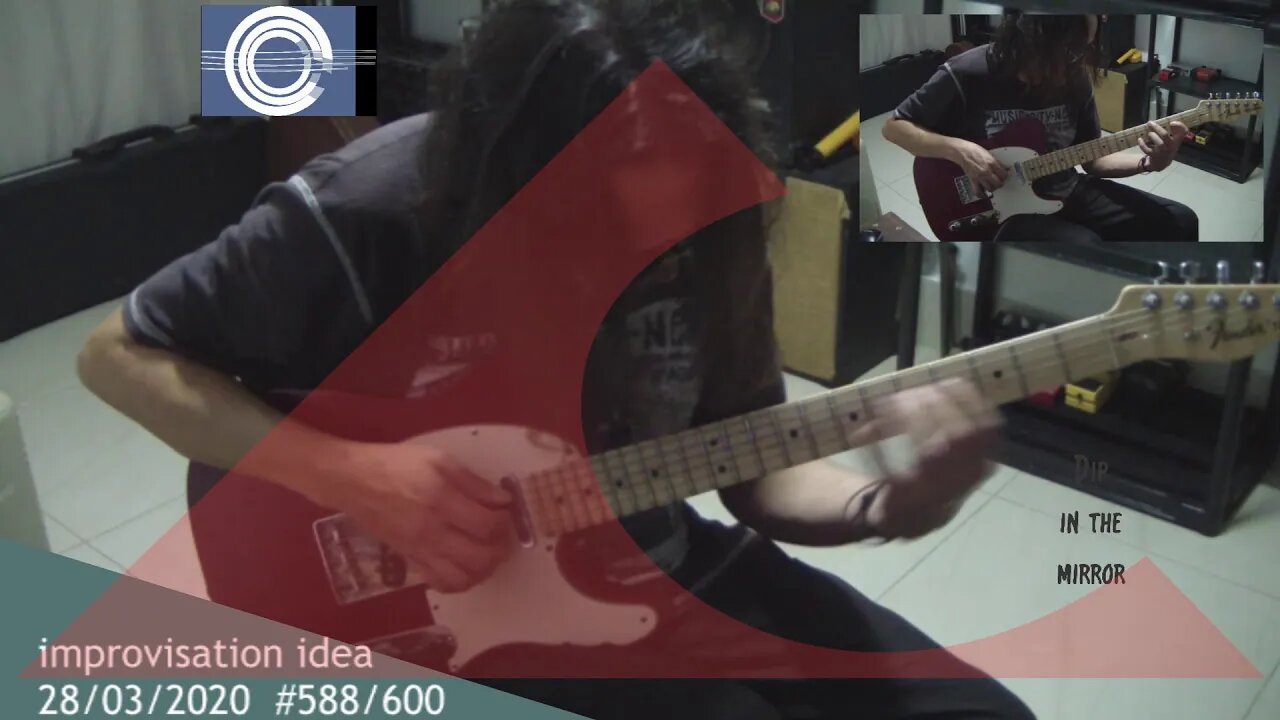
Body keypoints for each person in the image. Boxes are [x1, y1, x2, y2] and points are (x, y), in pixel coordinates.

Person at [78, 1, 1034, 717]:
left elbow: (753, 461)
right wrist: (353, 476)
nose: (647, 254)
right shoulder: (370, 206)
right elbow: (117, 356)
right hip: (438, 629)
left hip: (648, 565)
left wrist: (885, 505)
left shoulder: (717, 206)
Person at [883, 13, 1198, 243]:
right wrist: (959, 151)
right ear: (1032, 38)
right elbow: (894, 127)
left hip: (1066, 190)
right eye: (1070, 50)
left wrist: (1148, 162)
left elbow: (1094, 160)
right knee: (1084, 246)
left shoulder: (1074, 78)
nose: (1077, 62)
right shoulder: (967, 71)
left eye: (1083, 49)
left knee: (1180, 221)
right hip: (1002, 210)